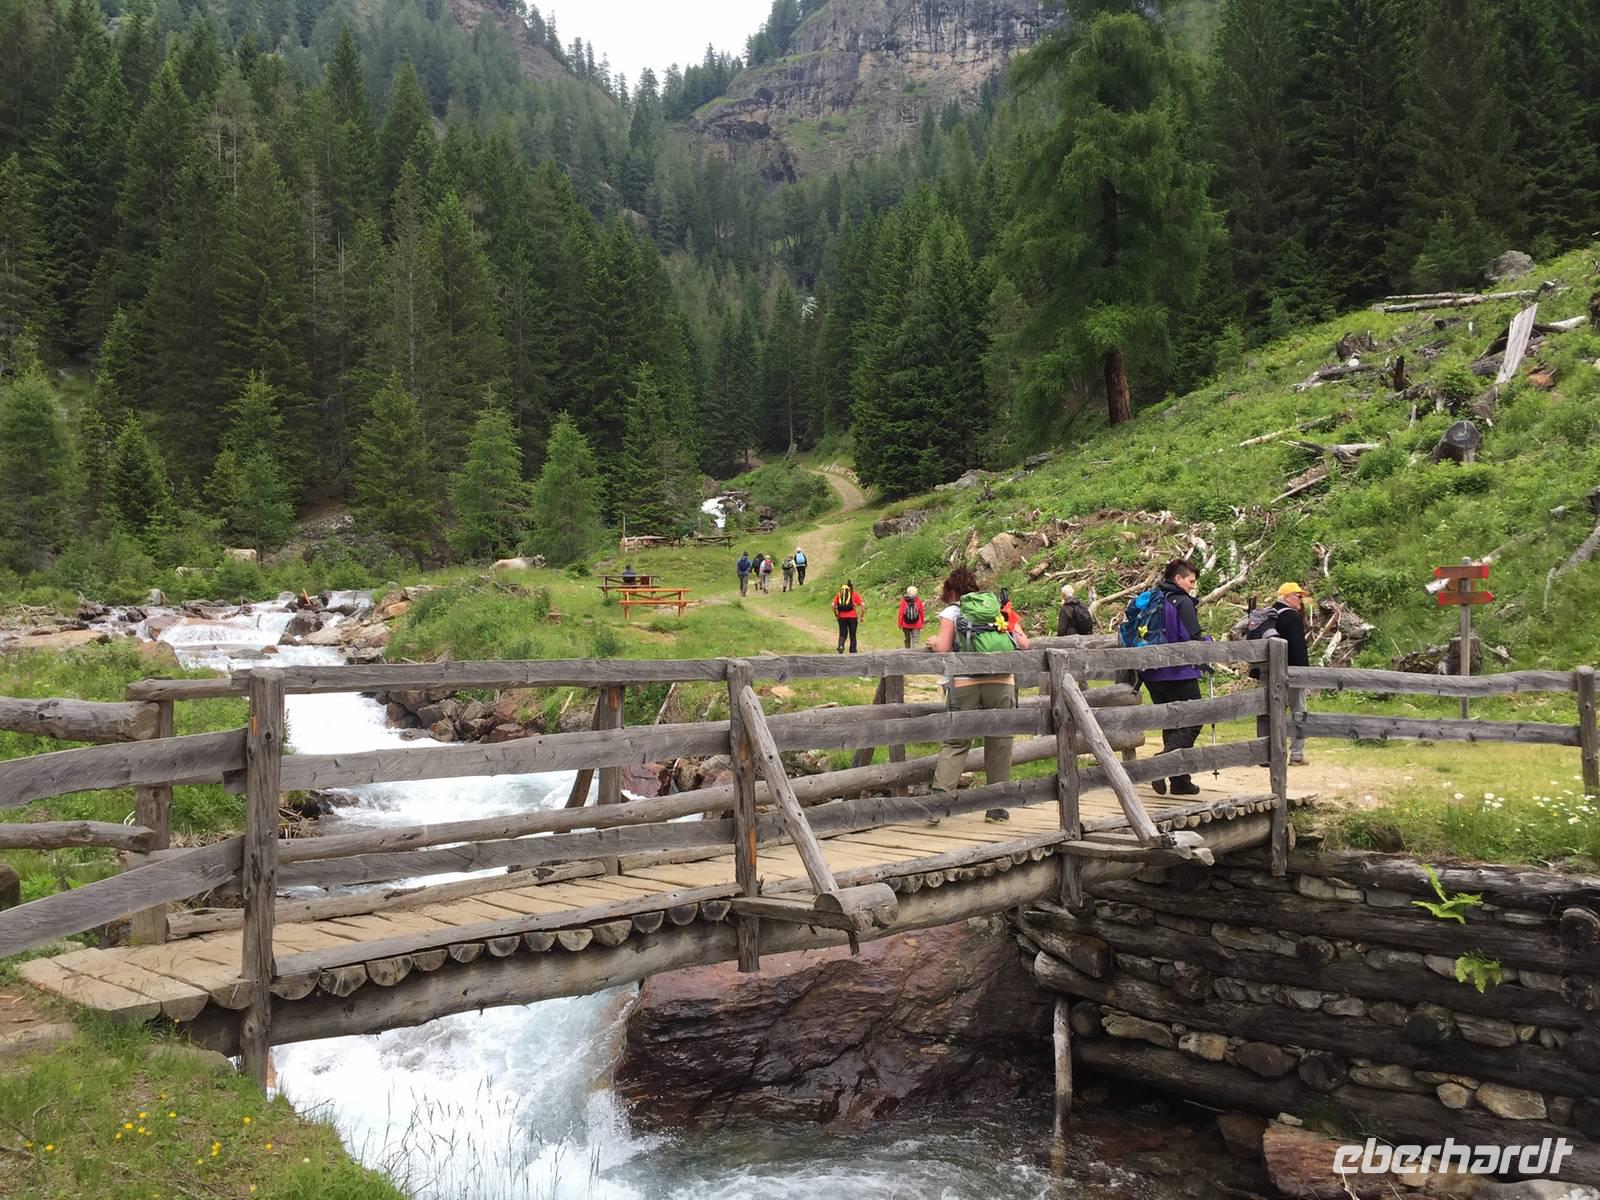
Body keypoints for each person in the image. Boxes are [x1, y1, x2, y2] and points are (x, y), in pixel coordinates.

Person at [926, 567, 1030, 813]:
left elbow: (942, 647)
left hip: (965, 683)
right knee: (1000, 741)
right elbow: (1024, 643)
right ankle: (997, 807)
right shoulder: (998, 608)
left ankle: (937, 804)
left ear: (951, 590)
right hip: (1002, 680)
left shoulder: (953, 611)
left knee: (957, 741)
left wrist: (932, 642)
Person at [1137, 559, 1208, 797]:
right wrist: (1209, 645)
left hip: (1152, 674)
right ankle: (1162, 764)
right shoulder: (1182, 602)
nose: (1192, 586)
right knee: (1195, 718)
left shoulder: (1153, 598)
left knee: (1172, 723)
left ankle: (1180, 781)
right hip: (1178, 672)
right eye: (1191, 581)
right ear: (1178, 579)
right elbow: (1193, 638)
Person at [1248, 582, 1313, 765]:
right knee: (1298, 711)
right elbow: (1297, 648)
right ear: (1287, 597)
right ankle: (1297, 755)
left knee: (1267, 712)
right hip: (1290, 672)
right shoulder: (1291, 616)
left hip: (1267, 672)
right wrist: (1304, 674)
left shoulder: (1268, 615)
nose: (1301, 600)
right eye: (1298, 596)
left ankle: (1265, 754)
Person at [833, 580, 864, 653]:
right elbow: (862, 605)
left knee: (842, 633)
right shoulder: (855, 594)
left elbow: (833, 605)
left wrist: (836, 615)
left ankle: (841, 646)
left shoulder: (839, 595)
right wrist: (862, 616)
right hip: (852, 617)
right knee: (853, 634)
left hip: (841, 617)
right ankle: (853, 651)